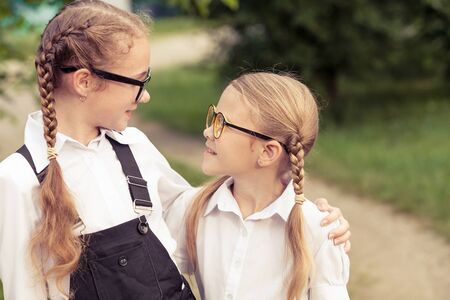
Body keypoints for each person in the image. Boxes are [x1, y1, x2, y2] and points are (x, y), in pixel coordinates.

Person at [0, 1, 350, 299]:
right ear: (85, 81)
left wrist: (313, 223)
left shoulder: (135, 149)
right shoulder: (18, 180)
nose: (145, 95)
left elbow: (208, 212)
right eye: (139, 82)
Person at [166, 72, 350, 300]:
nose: (207, 131)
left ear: (267, 152)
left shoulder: (318, 230)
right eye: (213, 117)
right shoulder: (192, 208)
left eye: (221, 123)